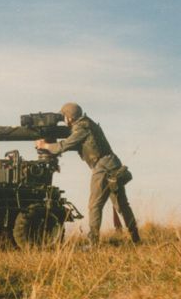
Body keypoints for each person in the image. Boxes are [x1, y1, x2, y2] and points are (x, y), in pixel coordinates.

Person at [35, 103, 140, 244]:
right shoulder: (87, 124)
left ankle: (93, 243)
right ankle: (136, 238)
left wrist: (45, 146)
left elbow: (63, 146)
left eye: (64, 117)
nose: (63, 120)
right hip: (113, 163)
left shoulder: (81, 128)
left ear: (69, 118)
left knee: (94, 205)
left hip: (102, 167)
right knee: (122, 205)